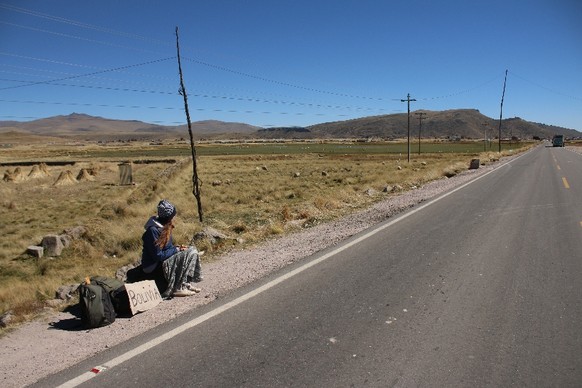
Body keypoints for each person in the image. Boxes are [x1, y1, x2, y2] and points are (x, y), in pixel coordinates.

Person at [141, 199, 203, 298]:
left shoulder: (165, 226)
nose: (173, 218)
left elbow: (168, 248)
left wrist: (178, 248)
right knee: (187, 254)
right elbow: (158, 256)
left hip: (161, 261)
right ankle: (177, 288)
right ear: (168, 217)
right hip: (152, 266)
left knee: (190, 250)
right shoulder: (152, 231)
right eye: (172, 216)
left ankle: (183, 283)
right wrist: (177, 250)